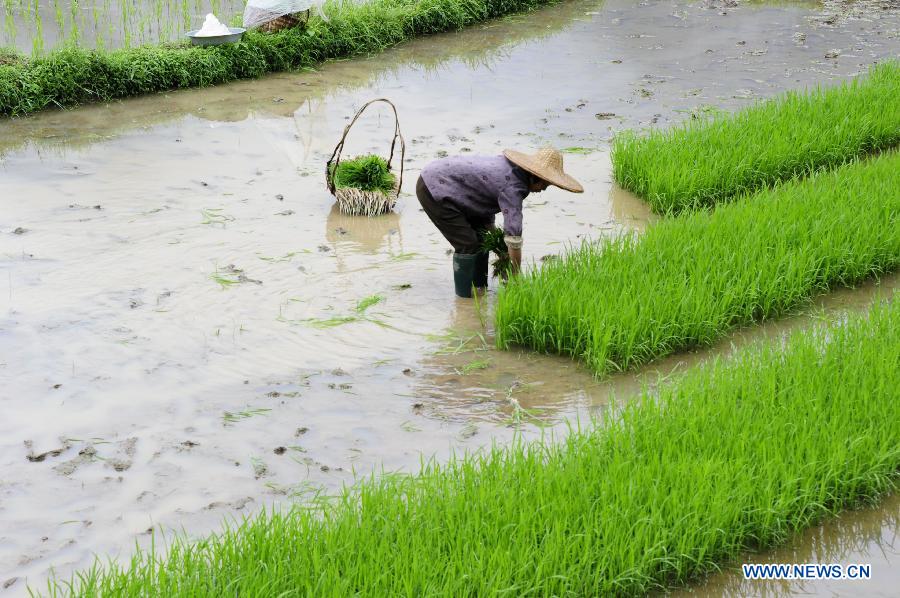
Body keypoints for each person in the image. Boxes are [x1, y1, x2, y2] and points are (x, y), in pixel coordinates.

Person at [416, 146, 584, 297]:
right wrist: (516, 274)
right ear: (534, 176)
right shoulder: (513, 187)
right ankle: (465, 299)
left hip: (457, 187)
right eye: (544, 185)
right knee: (468, 243)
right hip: (433, 187)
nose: (542, 190)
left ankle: (479, 288)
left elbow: (485, 197)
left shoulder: (512, 170)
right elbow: (514, 237)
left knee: (483, 238)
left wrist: (502, 253)